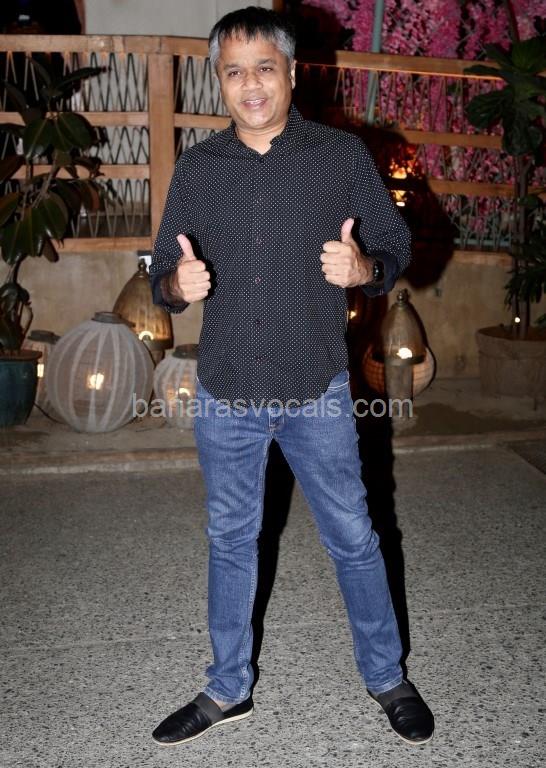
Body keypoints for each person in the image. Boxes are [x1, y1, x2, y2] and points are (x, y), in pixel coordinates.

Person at [149, 5, 434, 749]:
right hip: (227, 388)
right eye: (234, 72)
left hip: (316, 387)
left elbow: (395, 242)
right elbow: (160, 276)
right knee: (230, 539)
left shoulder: (338, 156)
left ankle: (387, 677)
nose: (250, 85)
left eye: (264, 69)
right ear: (219, 80)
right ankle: (227, 688)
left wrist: (366, 268)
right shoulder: (199, 168)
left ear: (292, 73)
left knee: (353, 535)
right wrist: (177, 284)